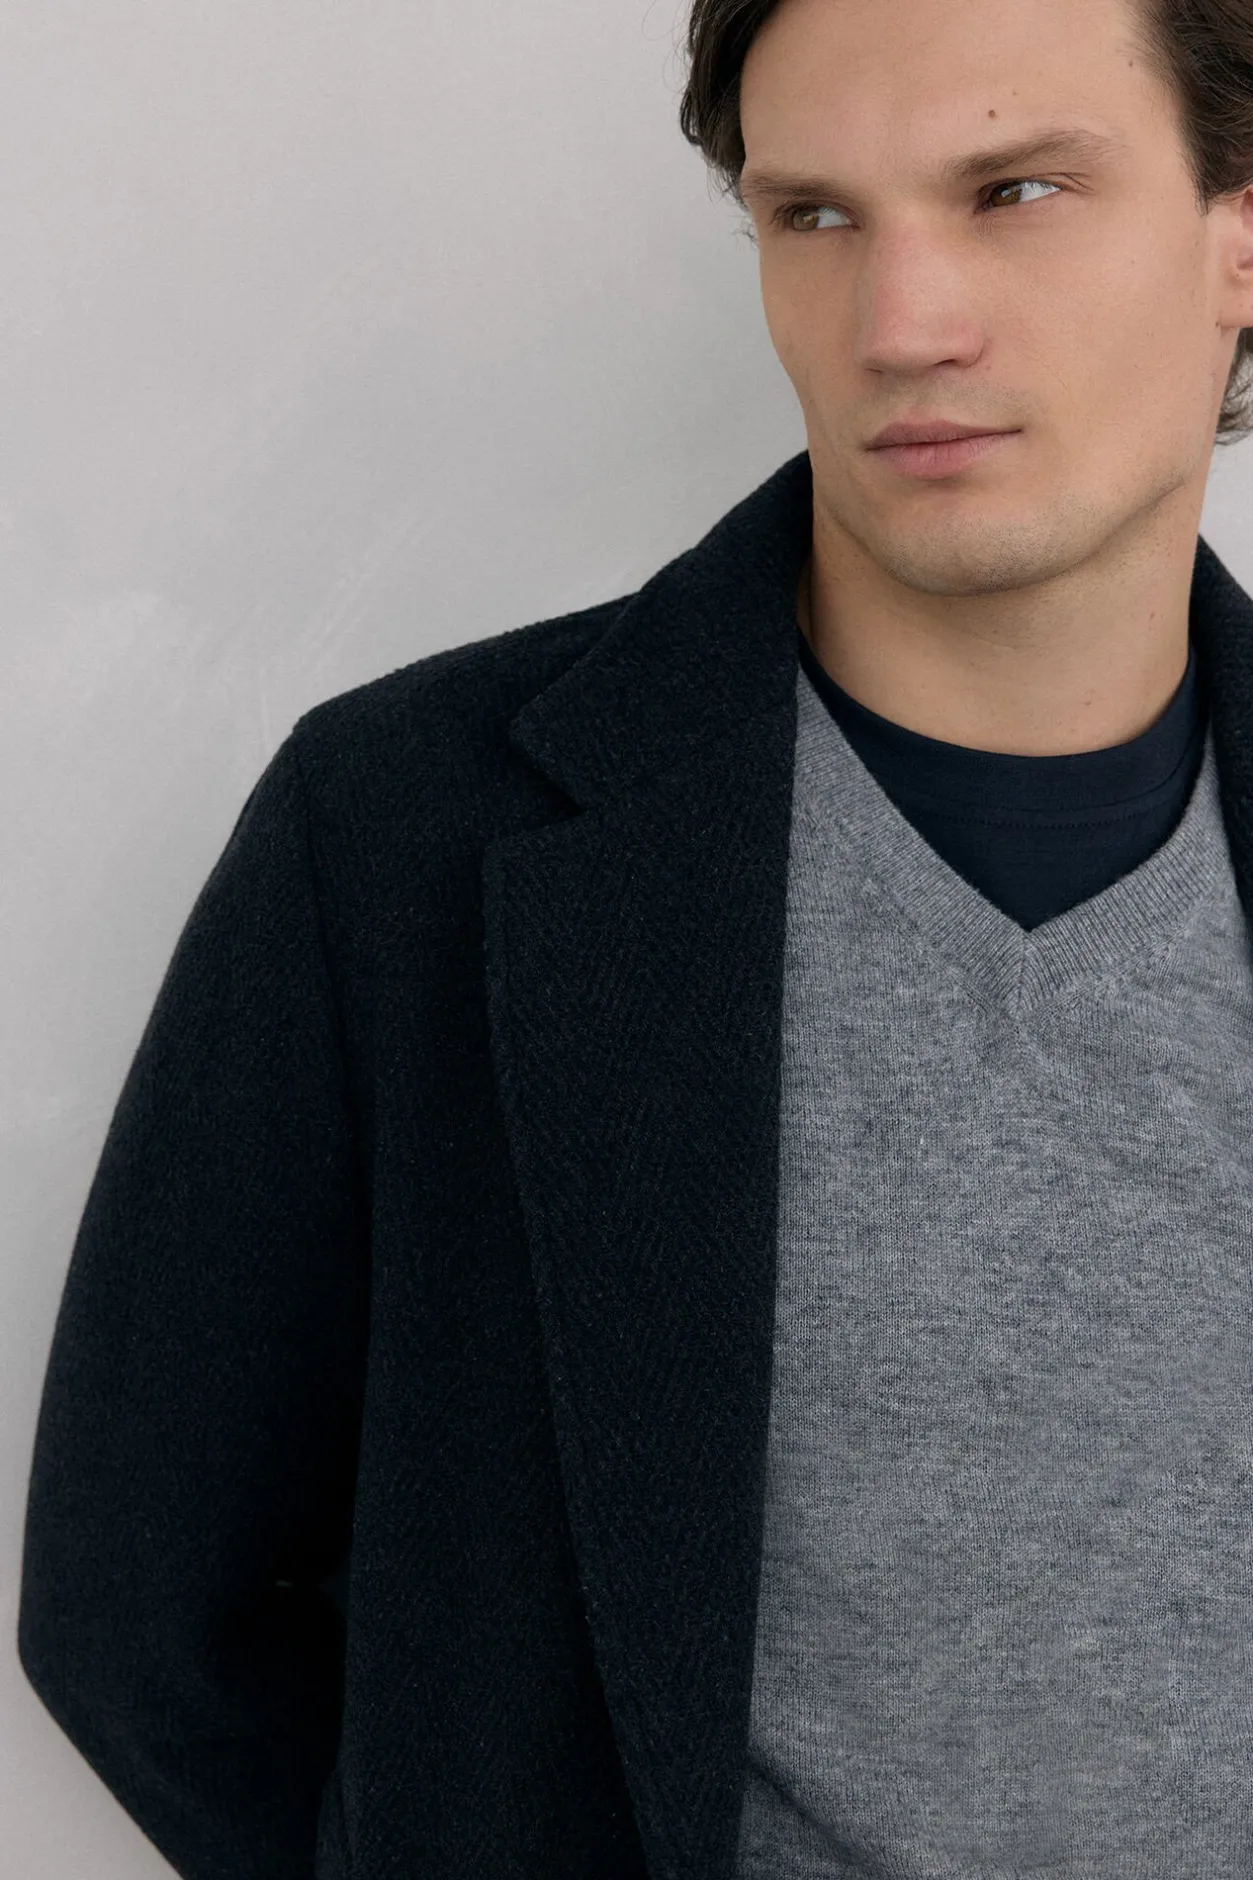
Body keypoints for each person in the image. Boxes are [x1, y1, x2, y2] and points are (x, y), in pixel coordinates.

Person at [17, 0, 1253, 1872]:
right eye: (814, 215)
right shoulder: (405, 837)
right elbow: (139, 1607)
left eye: (1014, 190)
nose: (902, 323)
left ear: (1239, 231)